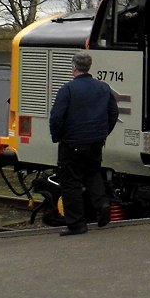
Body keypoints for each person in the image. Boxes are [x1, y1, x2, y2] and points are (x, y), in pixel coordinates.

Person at [49, 50, 118, 236]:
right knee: (93, 174)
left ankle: (76, 224)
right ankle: (102, 203)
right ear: (89, 67)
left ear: (73, 68)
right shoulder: (104, 88)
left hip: (72, 144)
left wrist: (57, 137)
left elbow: (56, 118)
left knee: (70, 183)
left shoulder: (67, 90)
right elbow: (113, 113)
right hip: (95, 143)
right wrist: (103, 133)